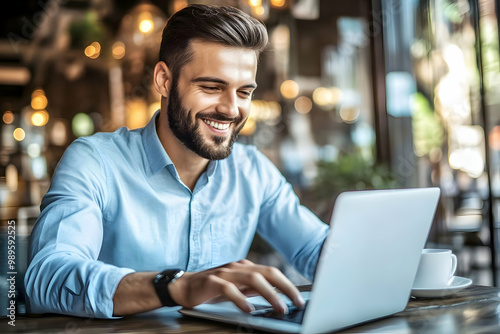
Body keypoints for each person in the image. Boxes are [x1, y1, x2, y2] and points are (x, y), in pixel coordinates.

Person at [24, 4, 329, 319]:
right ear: (163, 80)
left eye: (243, 92)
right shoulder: (96, 161)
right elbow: (47, 279)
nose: (231, 109)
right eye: (211, 87)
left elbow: (317, 251)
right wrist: (174, 286)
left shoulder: (252, 170)